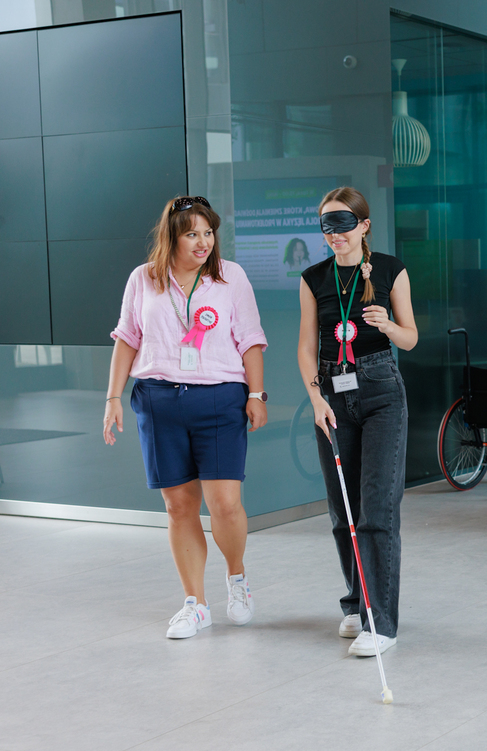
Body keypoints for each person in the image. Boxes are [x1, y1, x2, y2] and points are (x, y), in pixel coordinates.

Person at [104, 196, 269, 639]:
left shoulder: (230, 276)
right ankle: (195, 603)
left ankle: (237, 578)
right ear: (171, 237)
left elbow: (250, 338)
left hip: (220, 399)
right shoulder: (144, 279)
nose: (202, 242)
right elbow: (127, 338)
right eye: (191, 233)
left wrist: (256, 393)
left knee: (225, 505)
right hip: (159, 399)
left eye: (208, 232)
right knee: (179, 508)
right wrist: (112, 397)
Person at [298, 187, 418, 657]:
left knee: (377, 508)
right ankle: (355, 601)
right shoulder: (313, 278)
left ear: (364, 225)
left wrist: (387, 325)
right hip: (330, 393)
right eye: (326, 225)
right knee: (342, 509)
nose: (335, 235)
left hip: (381, 389)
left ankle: (380, 622)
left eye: (343, 223)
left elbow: (409, 338)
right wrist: (314, 398)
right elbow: (307, 344)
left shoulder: (390, 269)